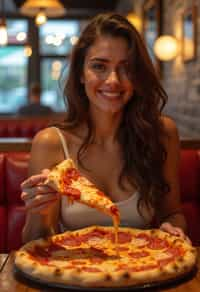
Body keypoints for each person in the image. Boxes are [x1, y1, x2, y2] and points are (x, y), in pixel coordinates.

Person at [21, 13, 189, 244]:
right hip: (75, 273)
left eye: (126, 68)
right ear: (80, 73)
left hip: (140, 270)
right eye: (99, 66)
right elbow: (35, 243)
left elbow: (172, 213)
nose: (113, 80)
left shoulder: (161, 133)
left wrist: (172, 227)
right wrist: (37, 213)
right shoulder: (51, 143)